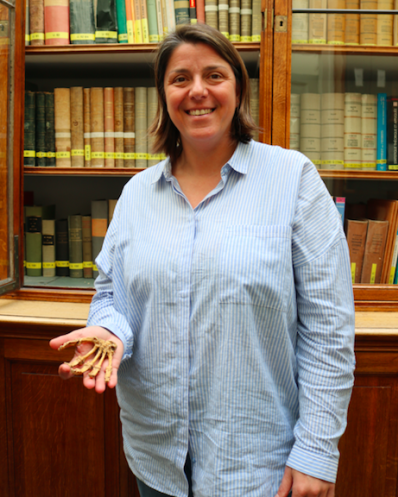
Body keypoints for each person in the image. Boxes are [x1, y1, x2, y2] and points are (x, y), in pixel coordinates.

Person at [50, 23, 355, 497]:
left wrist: (316, 452)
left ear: (238, 88)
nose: (197, 91)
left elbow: (329, 330)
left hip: (257, 468)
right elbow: (111, 294)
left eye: (214, 75)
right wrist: (108, 330)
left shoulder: (293, 180)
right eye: (180, 79)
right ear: (164, 95)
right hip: (156, 460)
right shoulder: (136, 194)